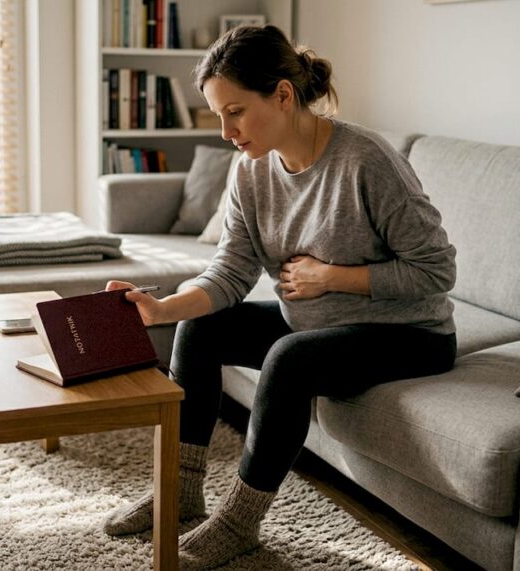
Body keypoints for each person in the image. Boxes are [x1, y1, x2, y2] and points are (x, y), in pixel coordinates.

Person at [102, 24, 457, 569]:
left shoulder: (366, 161)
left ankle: (240, 522)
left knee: (289, 358)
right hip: (315, 322)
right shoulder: (250, 171)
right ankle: (180, 491)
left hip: (411, 335)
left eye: (236, 112)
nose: (226, 131)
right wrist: (163, 309)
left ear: (283, 95)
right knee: (199, 329)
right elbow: (231, 270)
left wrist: (333, 276)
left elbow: (436, 269)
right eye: (218, 115)